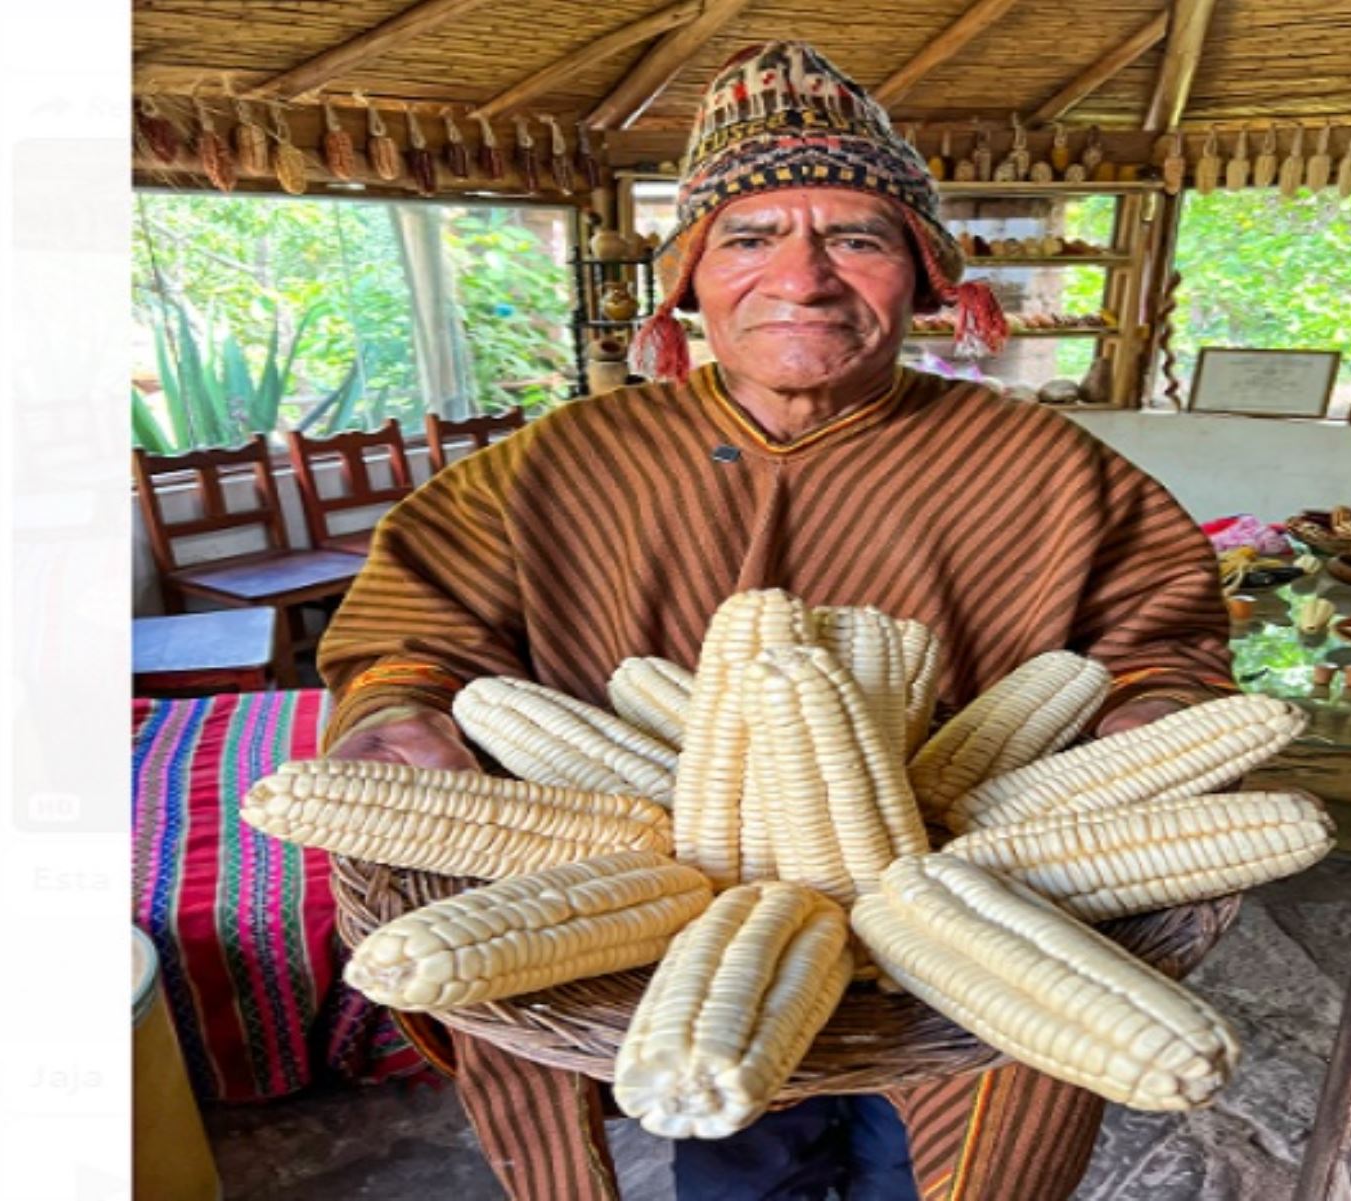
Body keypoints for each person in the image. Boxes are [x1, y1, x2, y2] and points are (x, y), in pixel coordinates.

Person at [319, 40, 1237, 1201]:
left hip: (988, 929)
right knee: (735, 1153)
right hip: (682, 929)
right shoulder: (557, 465)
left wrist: (1153, 720)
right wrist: (396, 709)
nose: (801, 279)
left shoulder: (1046, 467)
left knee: (953, 1161)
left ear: (928, 274)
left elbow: (1161, 639)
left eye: (856, 238)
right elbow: (424, 626)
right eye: (750, 238)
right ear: (685, 283)